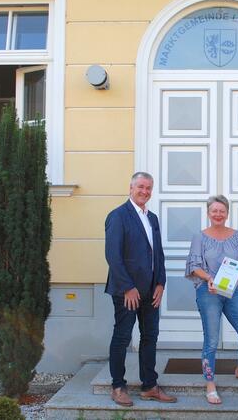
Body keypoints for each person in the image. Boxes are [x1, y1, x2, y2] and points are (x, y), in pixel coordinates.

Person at [104, 172, 177, 407]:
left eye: (149, 188)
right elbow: (113, 256)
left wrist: (160, 283)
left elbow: (158, 255)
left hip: (150, 292)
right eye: (141, 187)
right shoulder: (118, 216)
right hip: (128, 292)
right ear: (131, 188)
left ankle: (149, 386)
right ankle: (118, 386)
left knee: (150, 337)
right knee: (123, 337)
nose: (145, 191)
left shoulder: (152, 218)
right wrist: (127, 287)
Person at [186, 195, 238, 405]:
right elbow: (194, 265)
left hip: (232, 292)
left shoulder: (237, 236)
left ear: (227, 213)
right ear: (208, 213)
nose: (218, 214)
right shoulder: (200, 237)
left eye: (222, 211)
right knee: (211, 340)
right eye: (214, 211)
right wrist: (209, 278)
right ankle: (210, 383)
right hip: (208, 291)